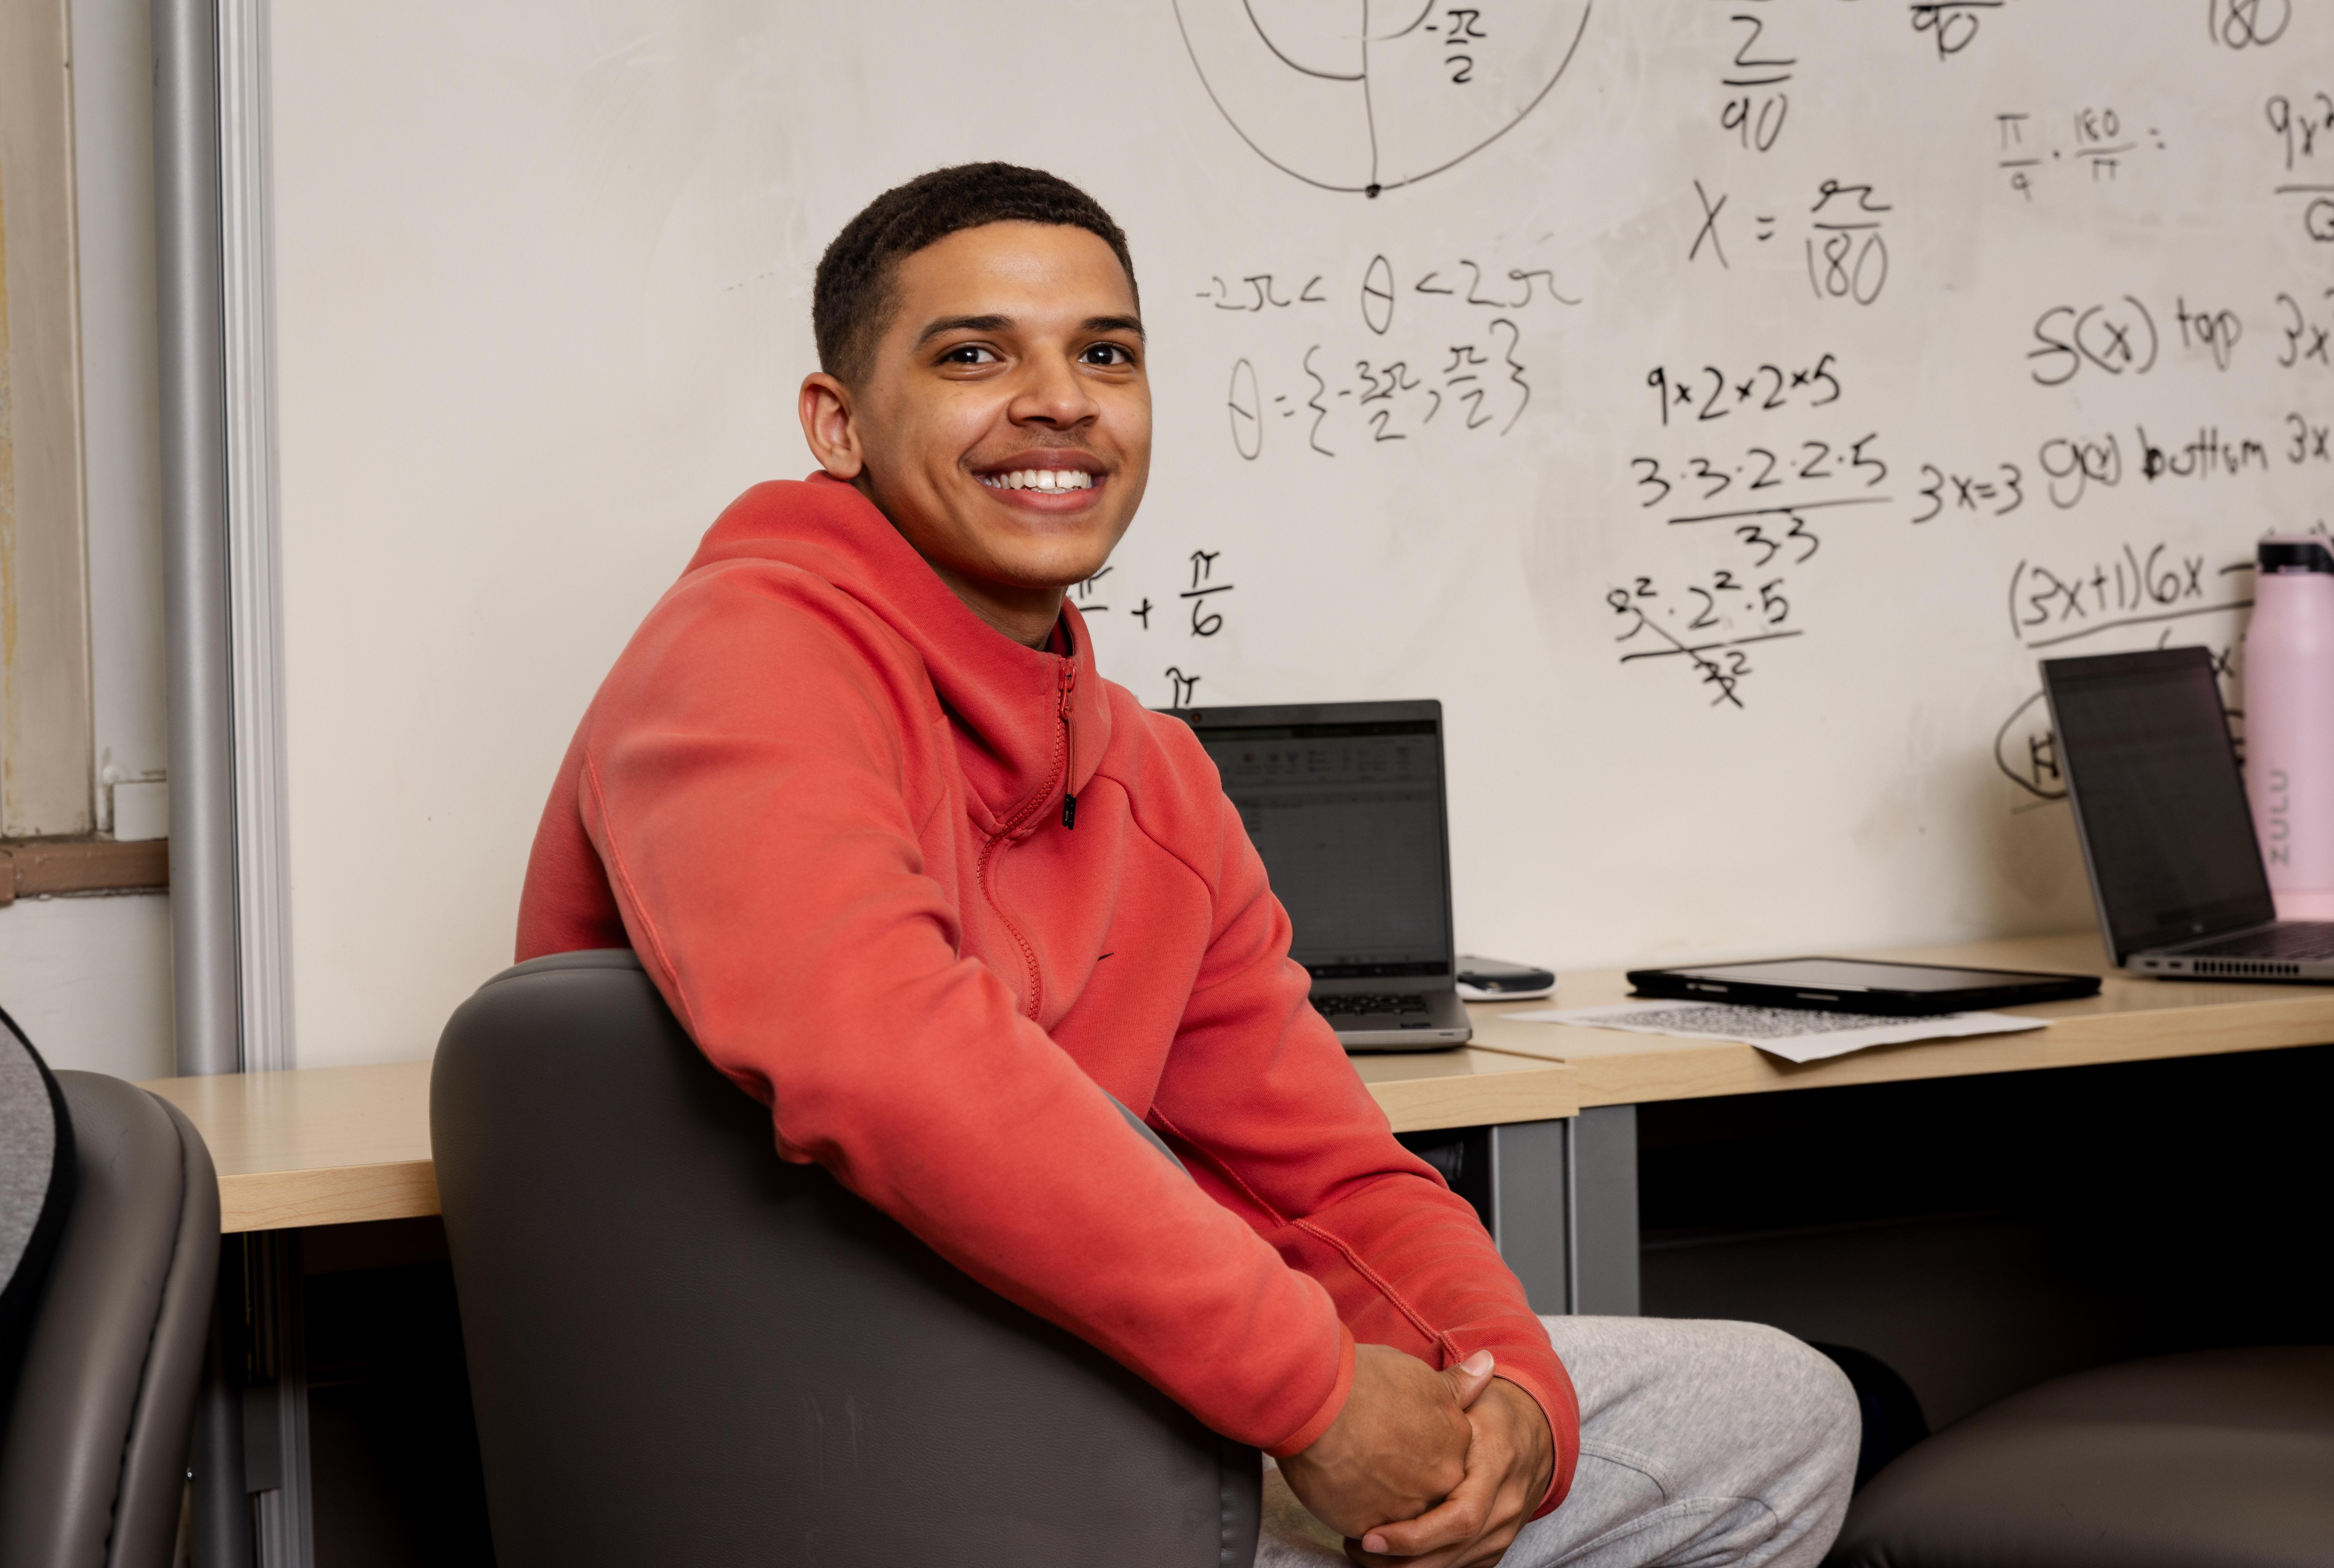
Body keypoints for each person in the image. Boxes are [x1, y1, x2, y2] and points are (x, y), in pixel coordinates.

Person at [517, 162, 1858, 1568]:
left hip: (1078, 1389)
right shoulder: (744, 655)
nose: (1059, 399)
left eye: (1106, 354)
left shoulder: (1148, 773)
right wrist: (1313, 1391)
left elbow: (1325, 1175)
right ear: (836, 423)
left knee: (1781, 1405)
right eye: (974, 355)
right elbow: (883, 1056)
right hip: (829, 1447)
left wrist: (1504, 1385)